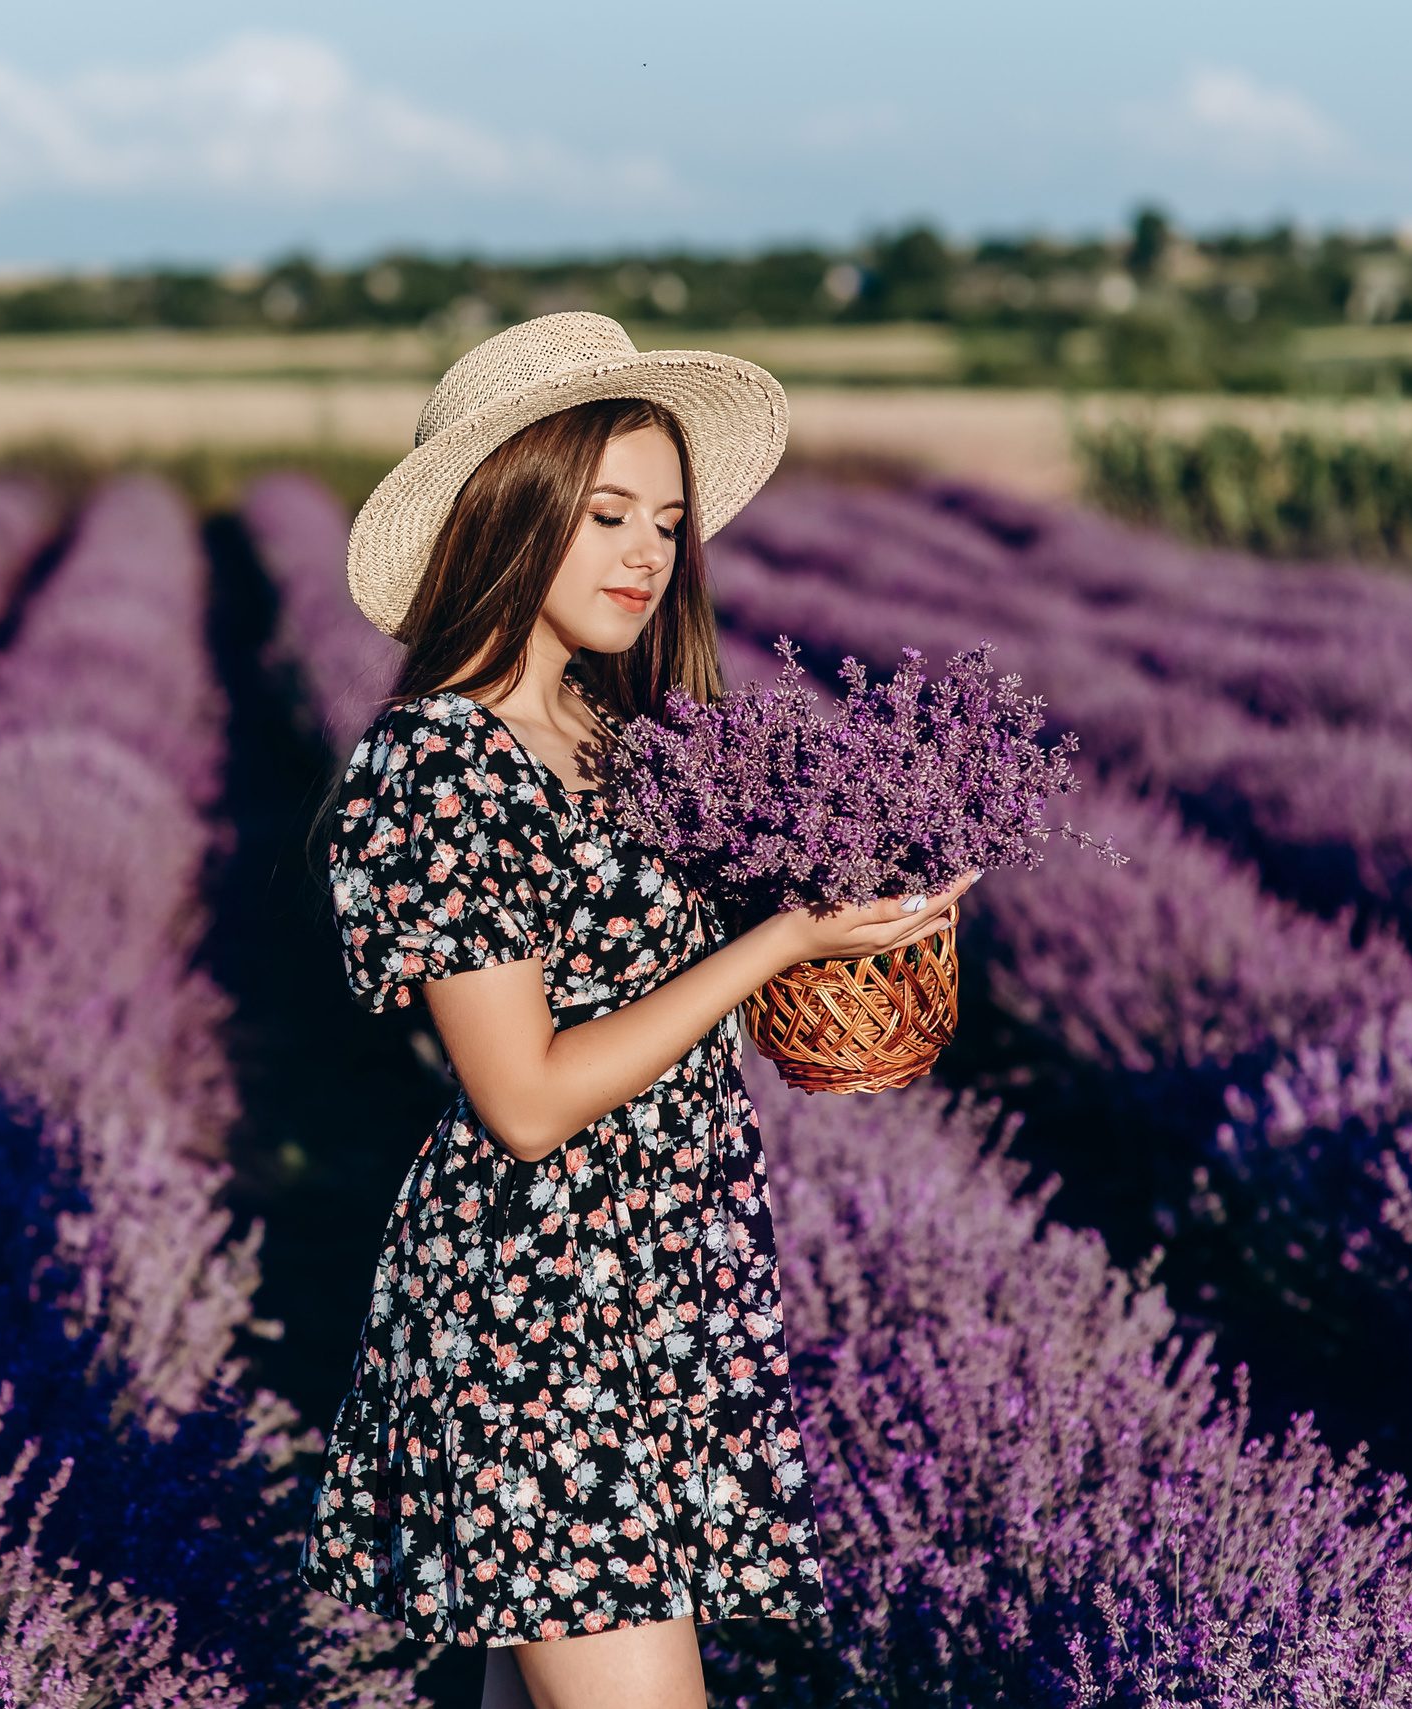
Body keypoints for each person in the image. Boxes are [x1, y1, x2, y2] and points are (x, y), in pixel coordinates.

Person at [298, 314, 972, 1709]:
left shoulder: (631, 742)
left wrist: (872, 906)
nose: (647, 553)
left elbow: (687, 991)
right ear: (511, 510)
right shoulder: (437, 766)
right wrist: (780, 935)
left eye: (665, 522)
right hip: (538, 1318)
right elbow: (527, 1100)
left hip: (664, 1290)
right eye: (606, 514)